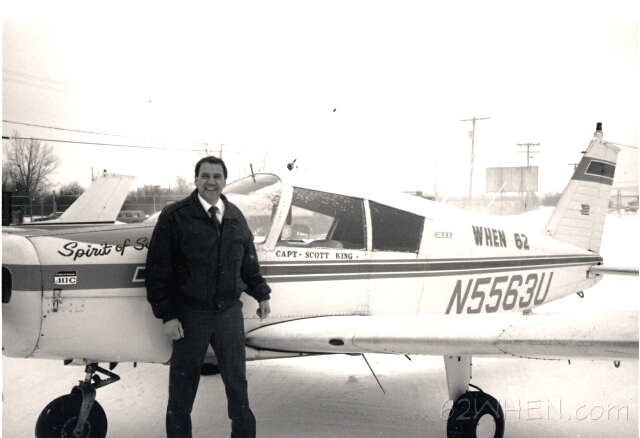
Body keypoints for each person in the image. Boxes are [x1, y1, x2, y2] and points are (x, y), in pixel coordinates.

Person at [145, 156, 271, 438]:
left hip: (228, 314)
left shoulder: (235, 217)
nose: (211, 182)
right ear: (196, 180)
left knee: (238, 385)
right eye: (205, 176)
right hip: (191, 316)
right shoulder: (175, 216)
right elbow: (157, 270)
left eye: (217, 176)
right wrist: (168, 315)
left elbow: (248, 263)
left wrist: (261, 294)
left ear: (224, 181)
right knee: (182, 389)